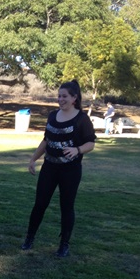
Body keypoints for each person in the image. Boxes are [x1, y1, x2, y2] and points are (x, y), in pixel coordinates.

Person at [21, 80, 96, 257]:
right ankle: (29, 238)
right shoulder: (53, 116)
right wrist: (33, 159)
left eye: (64, 96)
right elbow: (46, 140)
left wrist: (77, 150)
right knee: (40, 204)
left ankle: (64, 245)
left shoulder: (81, 119)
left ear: (74, 98)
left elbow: (91, 143)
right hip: (49, 167)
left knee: (66, 206)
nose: (60, 99)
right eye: (59, 96)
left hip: (70, 170)